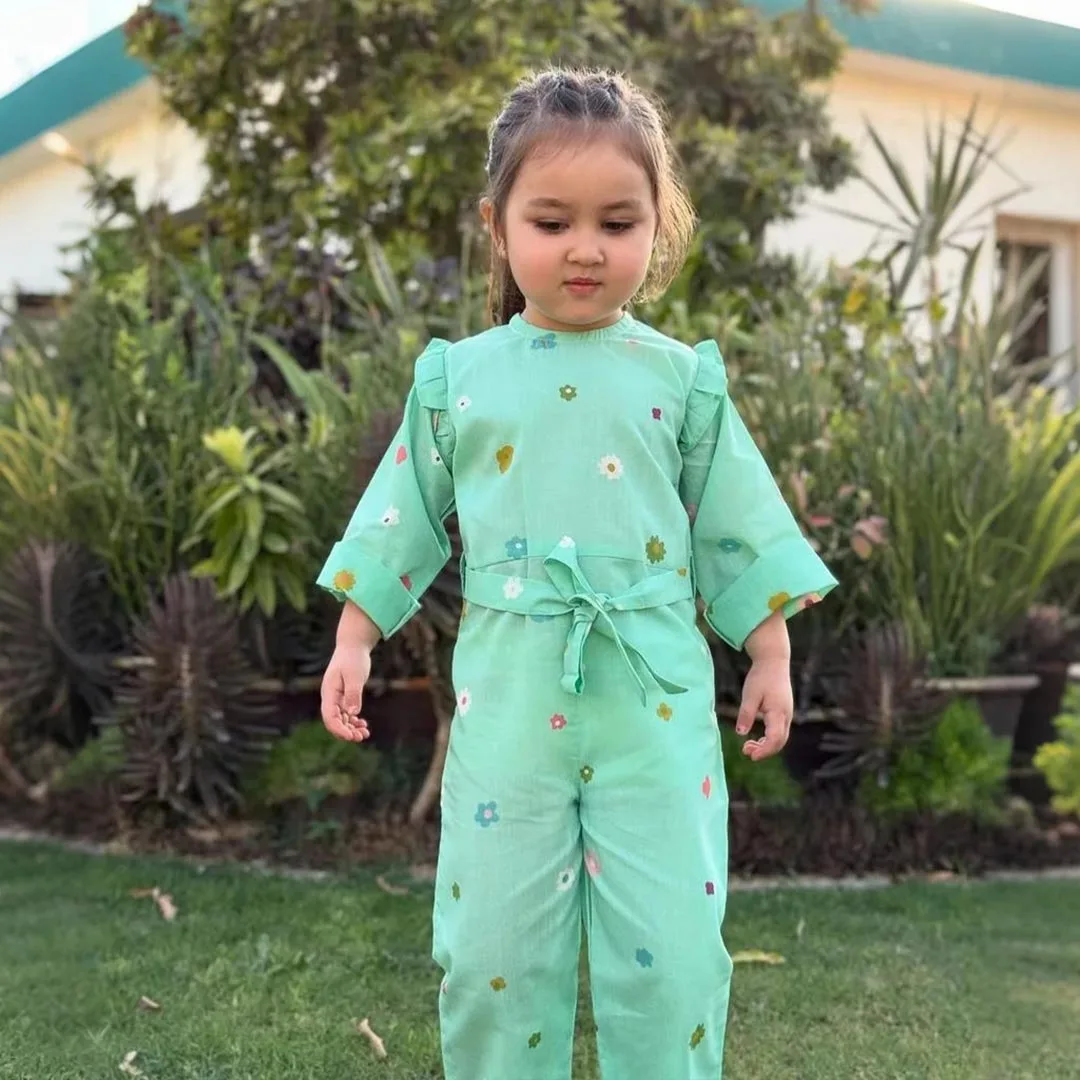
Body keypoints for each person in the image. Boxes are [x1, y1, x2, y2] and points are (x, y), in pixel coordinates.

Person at [318, 67, 836, 1080]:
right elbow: (402, 511)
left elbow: (734, 523)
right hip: (509, 706)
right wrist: (355, 635)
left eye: (618, 222)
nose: (586, 248)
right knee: (494, 959)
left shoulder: (682, 381)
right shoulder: (460, 380)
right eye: (552, 222)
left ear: (658, 224)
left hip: (654, 704)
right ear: (498, 226)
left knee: (673, 960)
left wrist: (769, 651)